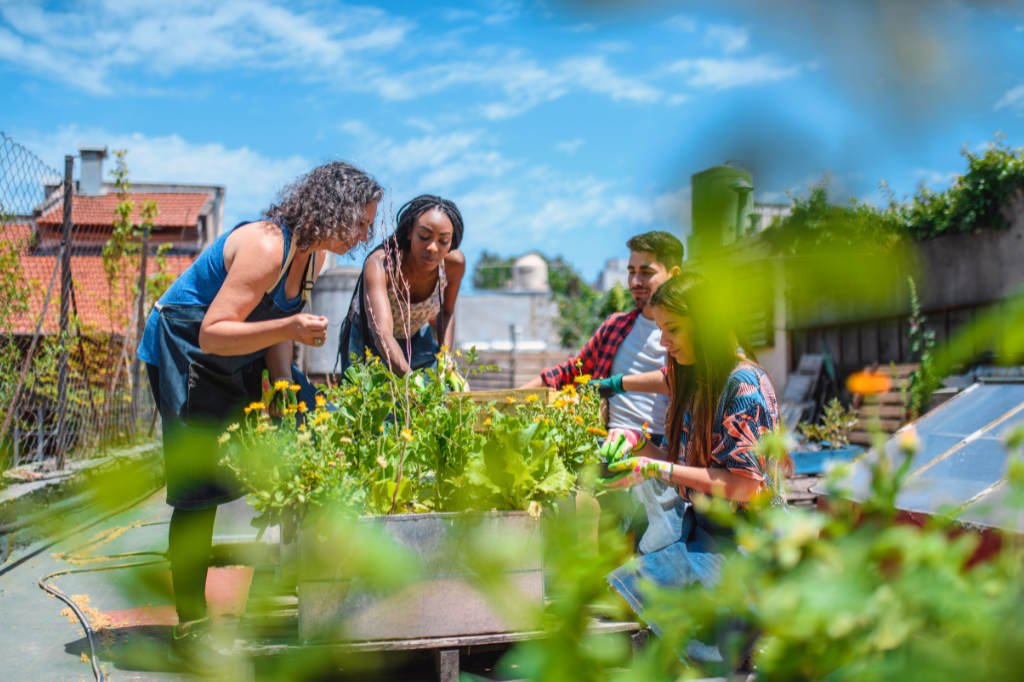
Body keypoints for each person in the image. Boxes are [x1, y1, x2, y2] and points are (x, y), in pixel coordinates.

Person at [137, 161, 383, 674]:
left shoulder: (309, 259)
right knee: (198, 488)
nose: (366, 234)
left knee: (287, 436)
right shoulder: (268, 246)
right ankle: (192, 625)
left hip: (231, 357)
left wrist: (290, 391)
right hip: (187, 349)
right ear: (334, 209)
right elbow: (212, 331)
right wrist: (292, 327)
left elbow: (272, 335)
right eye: (362, 221)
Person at [599, 271, 791, 673]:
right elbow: (685, 464)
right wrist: (636, 442)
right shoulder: (694, 378)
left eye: (673, 329)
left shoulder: (744, 385)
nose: (664, 342)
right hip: (705, 527)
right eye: (660, 330)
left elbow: (743, 487)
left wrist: (656, 466)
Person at [520, 231, 684, 554]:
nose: (635, 281)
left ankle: (607, 585)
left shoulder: (683, 334)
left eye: (646, 272)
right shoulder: (616, 327)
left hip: (657, 450)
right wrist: (505, 399)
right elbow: (570, 372)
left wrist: (616, 383)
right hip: (605, 443)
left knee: (604, 507)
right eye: (630, 271)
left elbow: (680, 379)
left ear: (674, 274)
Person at [337, 195, 466, 378]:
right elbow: (382, 332)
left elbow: (446, 312)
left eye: (443, 241)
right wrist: (410, 379)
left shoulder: (454, 265)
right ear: (409, 232)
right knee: (369, 403)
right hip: (371, 339)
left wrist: (446, 356)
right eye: (424, 236)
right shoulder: (382, 264)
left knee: (436, 398)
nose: (432, 248)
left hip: (416, 335)